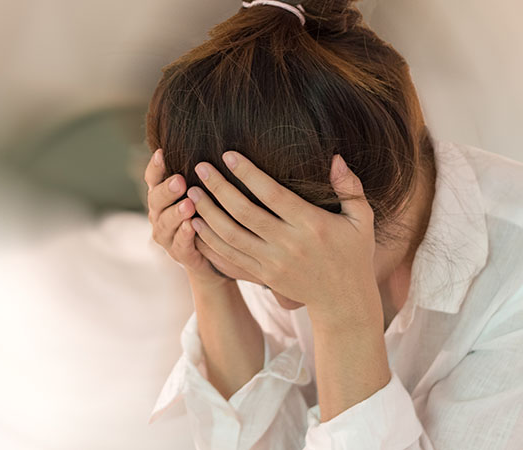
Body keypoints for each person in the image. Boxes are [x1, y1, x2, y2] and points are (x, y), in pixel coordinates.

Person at [142, 0, 523, 448]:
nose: (283, 300)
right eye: (259, 282)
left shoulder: (512, 279)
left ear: (388, 192)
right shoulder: (275, 202)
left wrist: (344, 313)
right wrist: (213, 282)